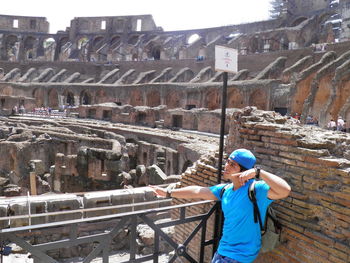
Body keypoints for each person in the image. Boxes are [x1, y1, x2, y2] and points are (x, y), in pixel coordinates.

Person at [150, 149, 291, 263]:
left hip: (241, 255)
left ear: (244, 170)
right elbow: (197, 191)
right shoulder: (225, 190)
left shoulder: (256, 189)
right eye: (228, 162)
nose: (227, 166)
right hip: (222, 250)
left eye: (233, 165)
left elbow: (285, 190)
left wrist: (259, 172)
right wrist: (168, 193)